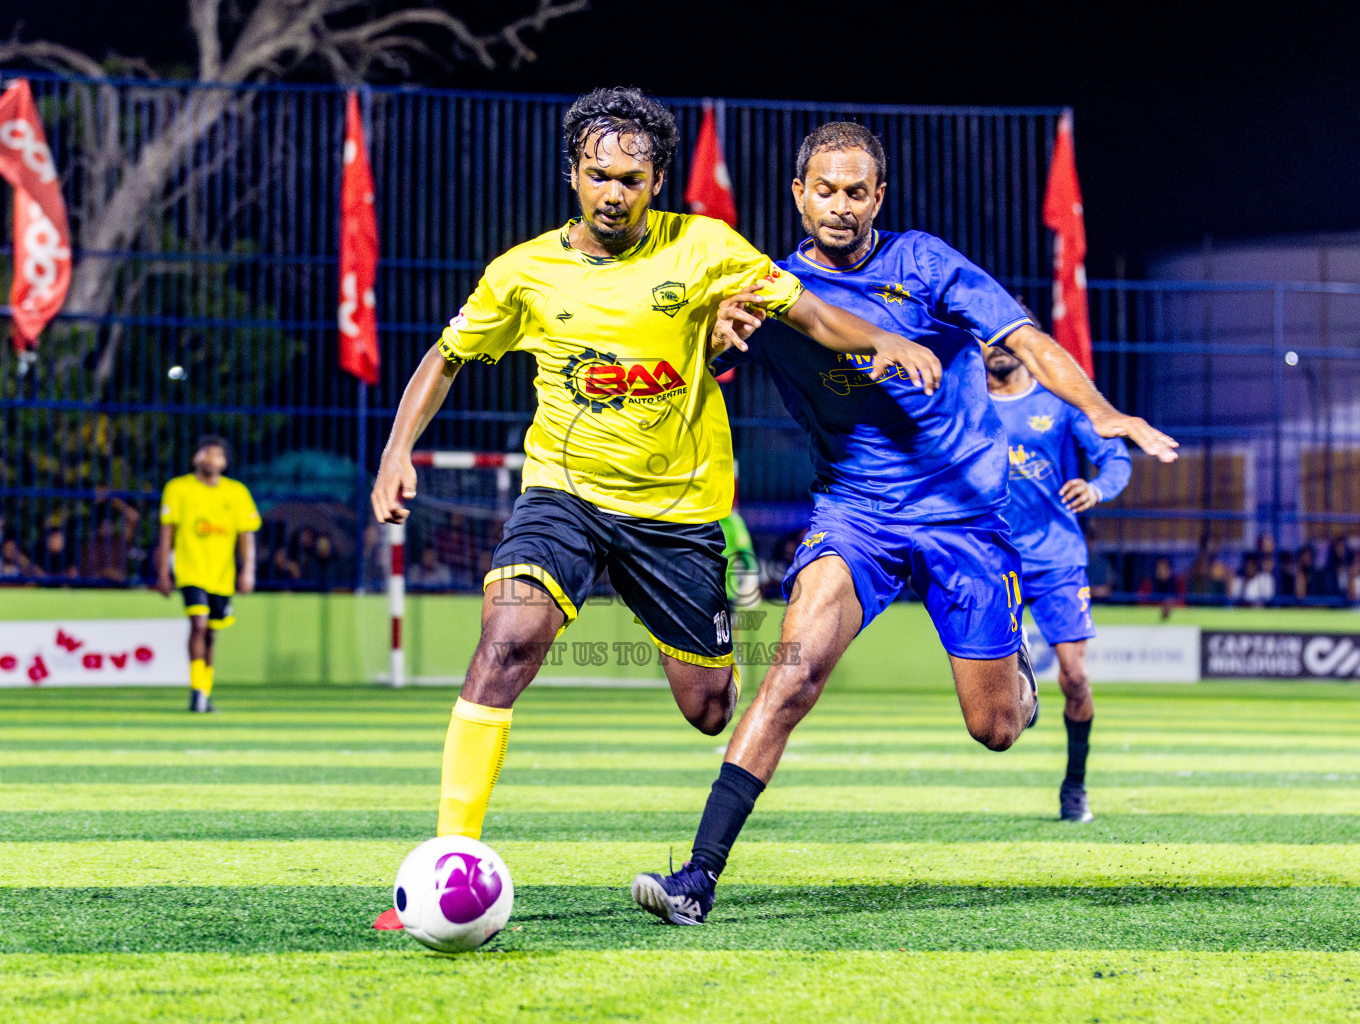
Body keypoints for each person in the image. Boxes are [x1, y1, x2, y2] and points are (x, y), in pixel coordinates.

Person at [630, 121, 1176, 925]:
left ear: (878, 196)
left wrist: (1104, 411)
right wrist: (714, 339)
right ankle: (697, 879)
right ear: (798, 194)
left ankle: (1017, 681)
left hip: (966, 519)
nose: (841, 207)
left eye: (857, 192)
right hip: (855, 517)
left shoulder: (925, 263)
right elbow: (692, 362)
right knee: (789, 677)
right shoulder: (773, 288)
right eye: (826, 190)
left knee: (995, 730)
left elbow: (1028, 340)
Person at [368, 89, 937, 845]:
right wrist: (395, 452)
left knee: (708, 710)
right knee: (505, 645)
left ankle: (712, 647)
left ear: (658, 179)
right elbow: (447, 357)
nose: (613, 193)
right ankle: (447, 855)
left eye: (631, 180)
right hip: (563, 494)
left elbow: (806, 311)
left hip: (678, 513)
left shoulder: (705, 246)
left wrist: (879, 339)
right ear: (574, 172)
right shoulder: (521, 273)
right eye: (598, 175)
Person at [985, 336, 1131, 823]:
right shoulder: (967, 403)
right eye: (987, 338)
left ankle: (1074, 786)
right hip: (995, 558)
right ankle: (1024, 684)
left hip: (1058, 558)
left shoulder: (1058, 401)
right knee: (1002, 703)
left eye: (1005, 337)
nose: (997, 347)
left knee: (1076, 678)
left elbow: (1116, 458)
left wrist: (1097, 488)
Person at [155, 436, 260, 713]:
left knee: (212, 633)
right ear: (196, 458)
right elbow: (167, 532)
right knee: (198, 625)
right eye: (207, 453)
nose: (212, 459)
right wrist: (162, 571)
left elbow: (246, 535)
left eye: (218, 455)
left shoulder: (236, 493)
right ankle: (195, 690)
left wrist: (248, 570)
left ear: (225, 462)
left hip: (222, 576)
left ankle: (204, 691)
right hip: (190, 571)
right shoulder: (178, 489)